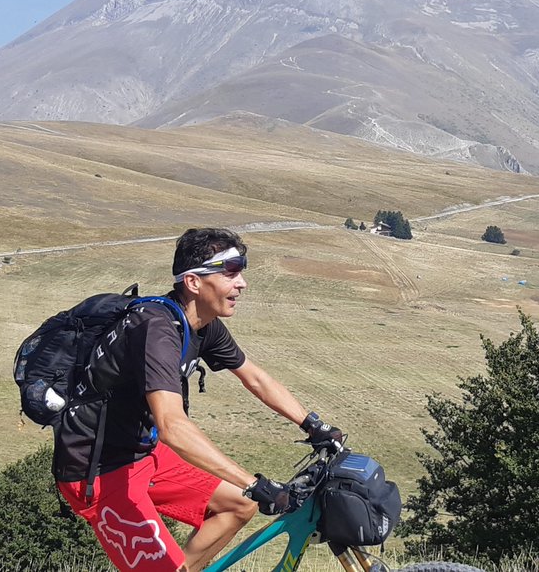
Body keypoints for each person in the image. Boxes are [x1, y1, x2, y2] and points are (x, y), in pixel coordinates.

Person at [53, 227, 343, 572]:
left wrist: (314, 426)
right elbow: (173, 426)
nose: (242, 284)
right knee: (243, 495)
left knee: (239, 505)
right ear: (193, 282)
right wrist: (254, 483)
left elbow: (255, 377)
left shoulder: (201, 324)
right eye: (230, 273)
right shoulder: (157, 330)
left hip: (143, 454)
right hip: (98, 472)